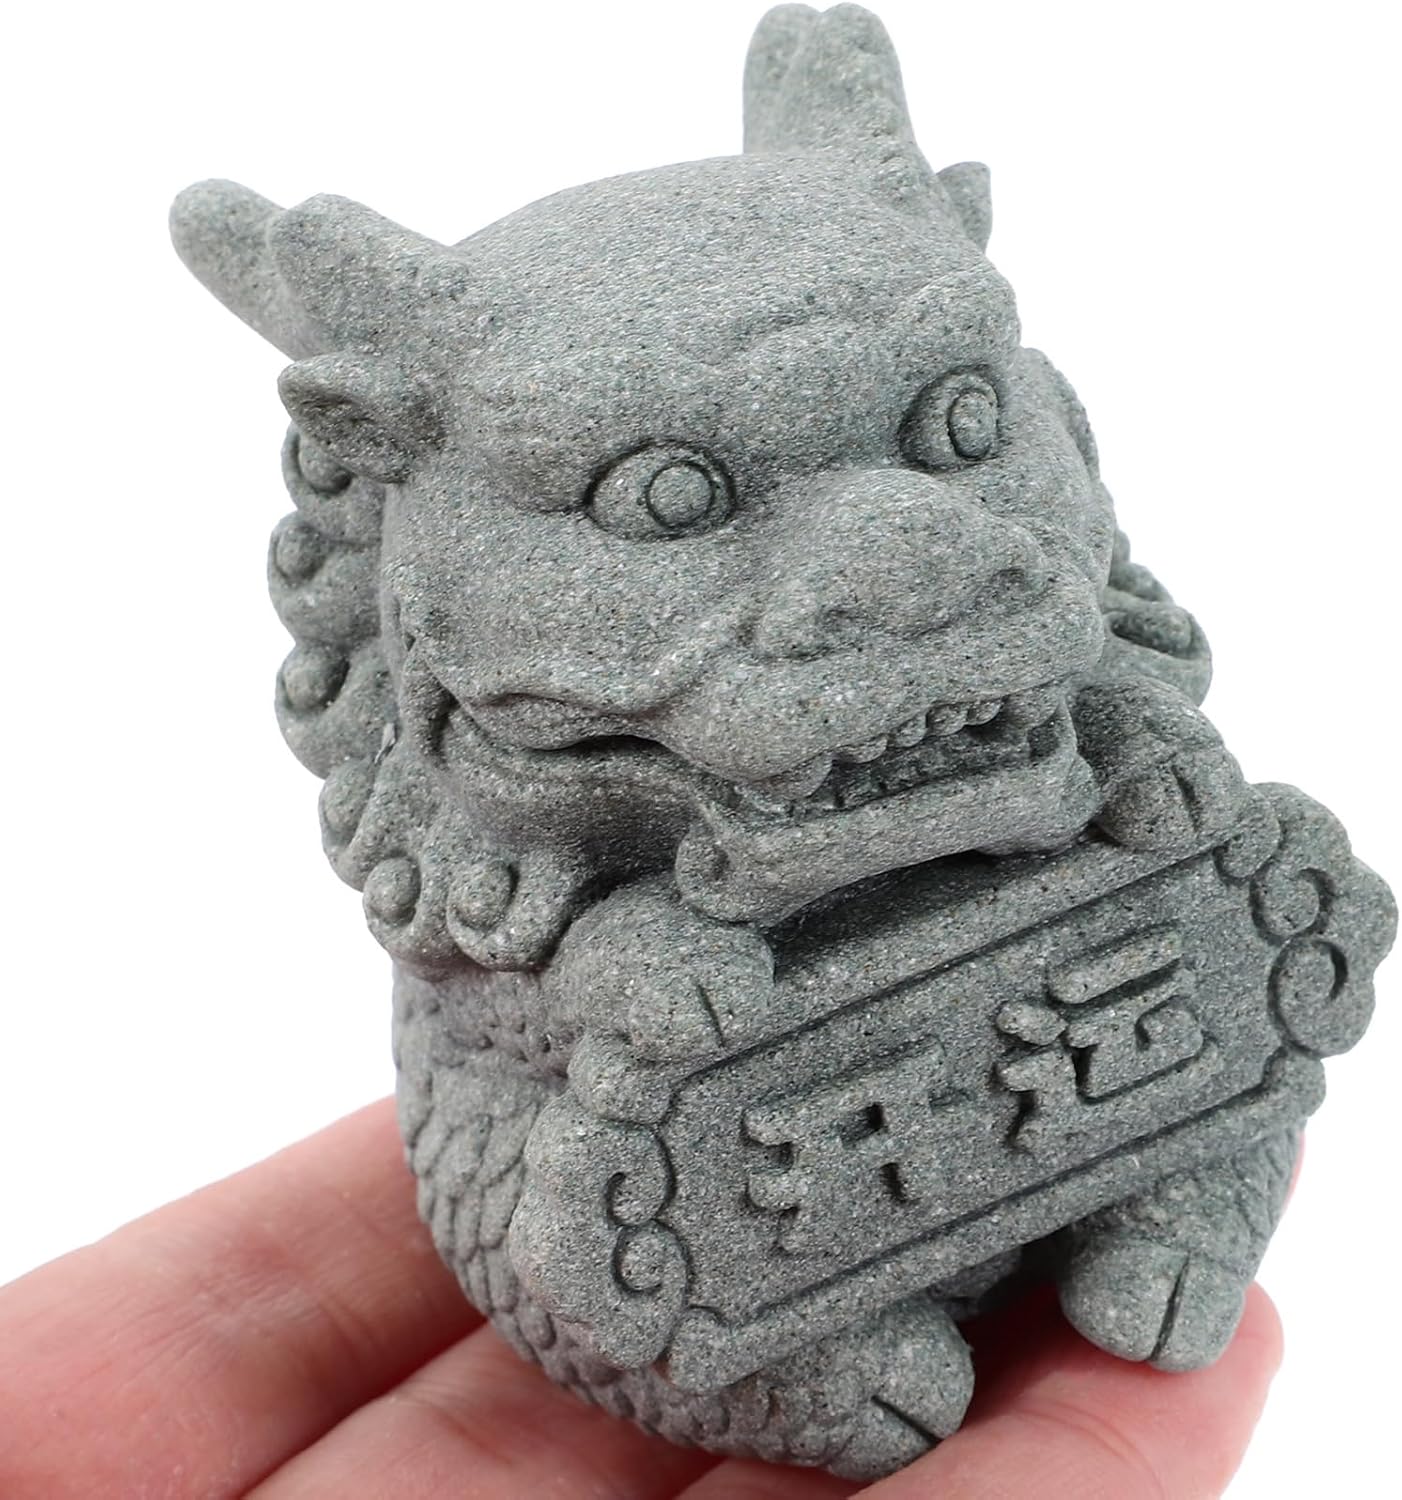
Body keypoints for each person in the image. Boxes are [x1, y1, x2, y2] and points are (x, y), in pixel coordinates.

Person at [0, 1100, 1282, 1498]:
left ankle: (1169, 1216)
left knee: (1206, 1063)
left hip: (1036, 1065)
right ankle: (775, 1370)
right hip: (647, 1158)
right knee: (556, 1222)